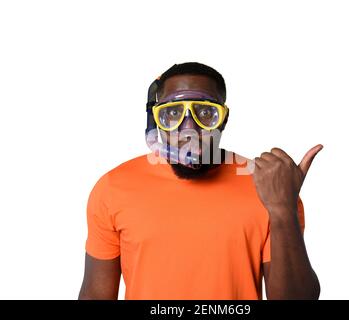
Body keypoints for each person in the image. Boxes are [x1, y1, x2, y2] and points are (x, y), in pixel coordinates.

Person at [78, 62, 322, 300]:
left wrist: (282, 210)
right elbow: (95, 295)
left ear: (223, 119)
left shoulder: (269, 186)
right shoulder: (113, 188)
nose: (189, 128)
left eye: (205, 113)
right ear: (155, 122)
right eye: (172, 113)